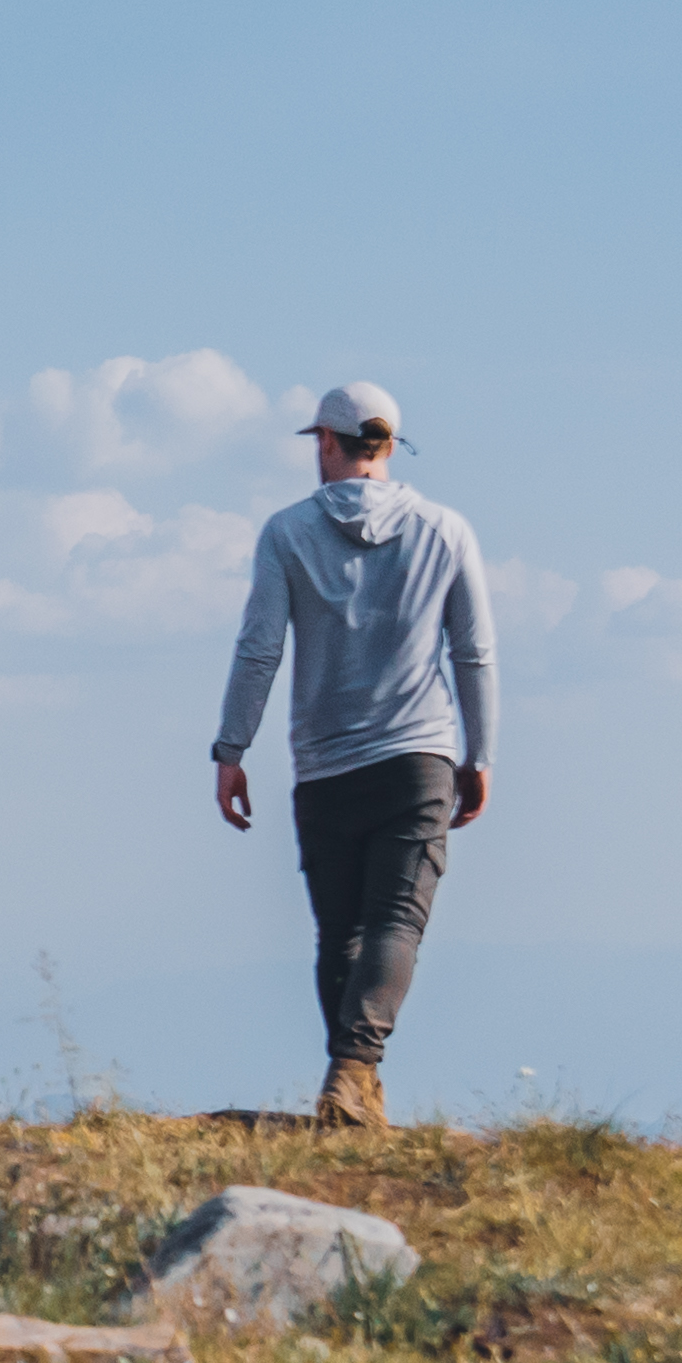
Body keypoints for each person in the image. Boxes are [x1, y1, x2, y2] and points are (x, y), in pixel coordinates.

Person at [206, 378, 492, 1129]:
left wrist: (231, 748)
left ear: (327, 443)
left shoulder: (286, 533)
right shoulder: (447, 530)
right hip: (419, 754)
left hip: (324, 764)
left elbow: (259, 648)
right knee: (396, 921)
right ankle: (356, 1074)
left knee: (340, 933)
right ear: (389, 447)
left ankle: (355, 1082)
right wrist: (480, 754)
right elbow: (474, 653)